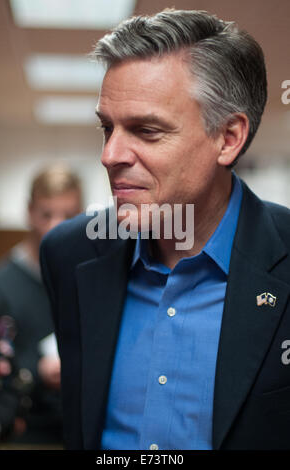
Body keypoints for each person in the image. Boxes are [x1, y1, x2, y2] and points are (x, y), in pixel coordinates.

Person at [40, 10, 290, 450]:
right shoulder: (70, 254)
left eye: (146, 130)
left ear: (228, 138)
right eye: (107, 127)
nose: (110, 154)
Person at [0, 164, 82, 448]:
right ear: (30, 212)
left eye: (68, 215)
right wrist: (36, 370)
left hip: (81, 427)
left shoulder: (88, 277)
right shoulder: (0, 285)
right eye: (47, 214)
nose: (57, 225)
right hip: (24, 432)